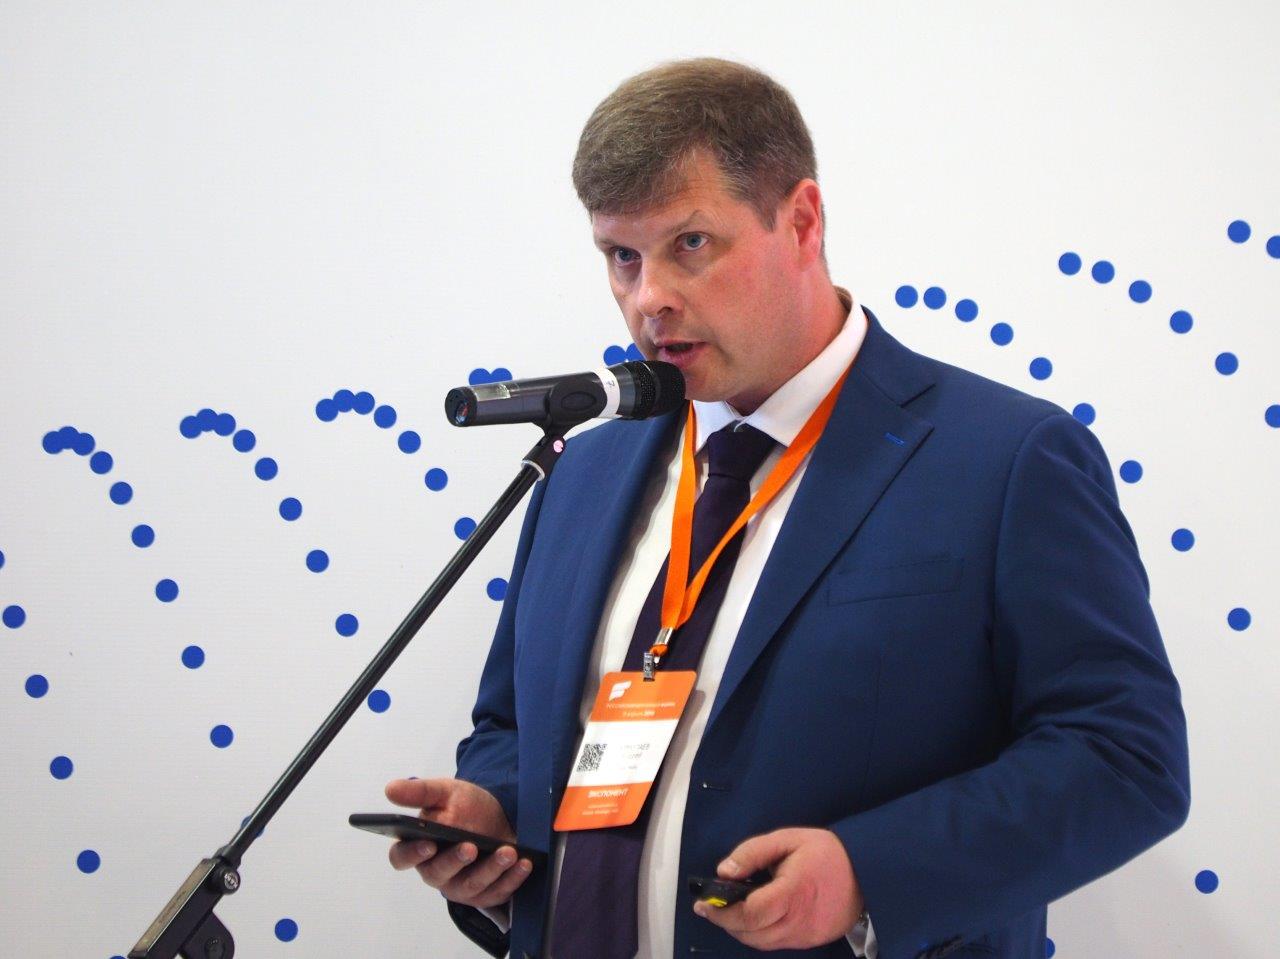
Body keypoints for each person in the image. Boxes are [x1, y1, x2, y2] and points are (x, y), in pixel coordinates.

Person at [383, 58, 1190, 959]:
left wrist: (869, 873)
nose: (649, 298)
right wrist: (496, 813)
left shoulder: (1006, 460)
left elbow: (1125, 757)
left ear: (802, 221)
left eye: (691, 243)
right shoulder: (582, 471)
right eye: (622, 256)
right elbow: (511, 726)